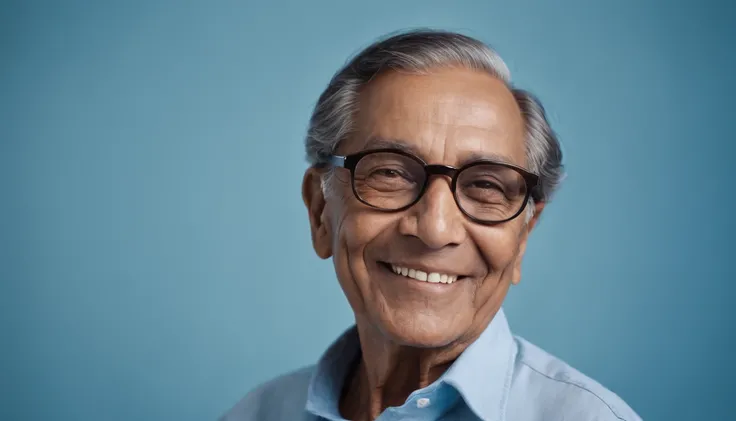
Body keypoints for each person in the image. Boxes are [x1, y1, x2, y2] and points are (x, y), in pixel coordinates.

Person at [221, 29, 641, 421]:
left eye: (486, 185)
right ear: (319, 211)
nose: (436, 230)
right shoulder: (258, 413)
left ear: (523, 237)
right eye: (390, 173)